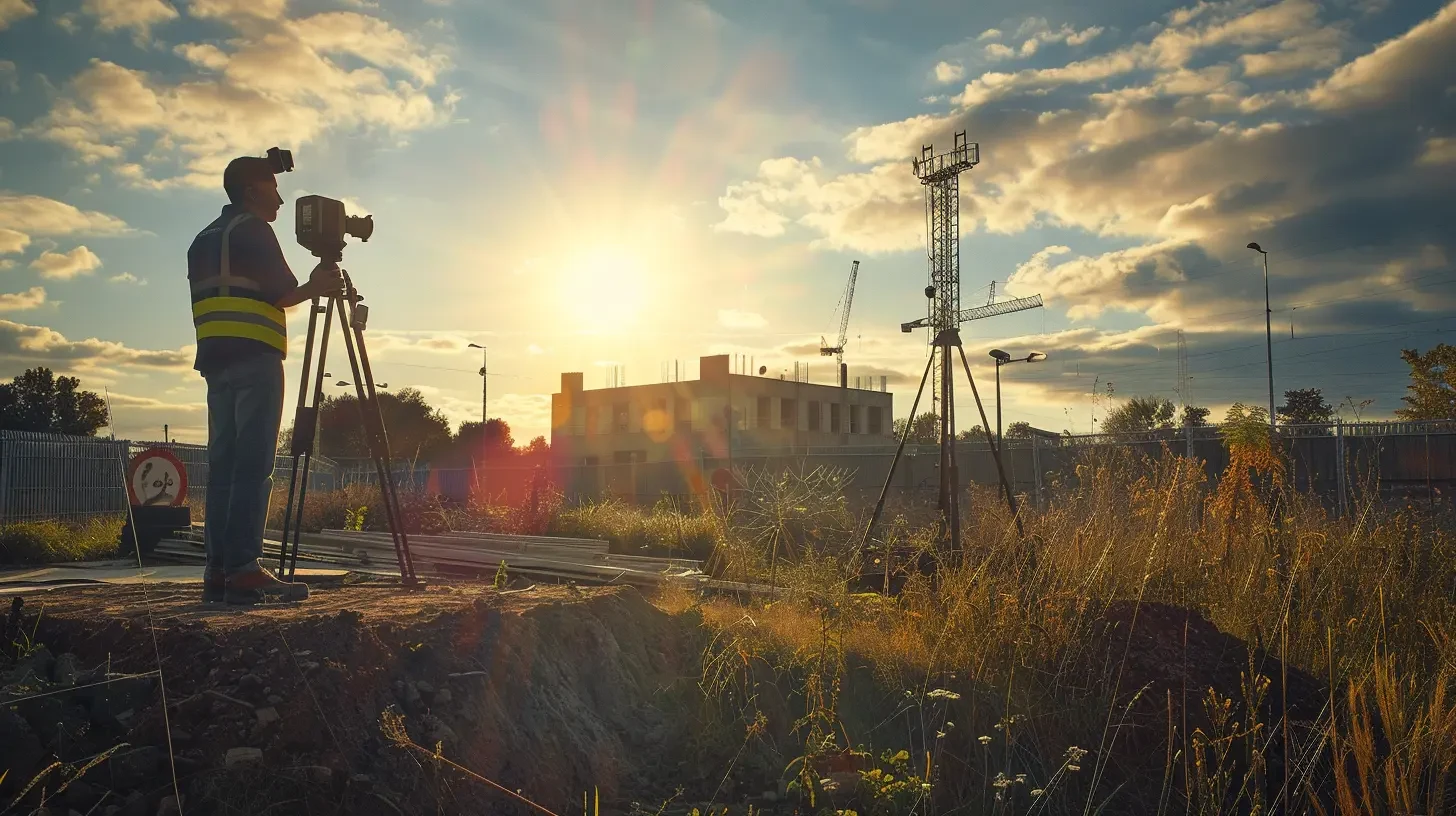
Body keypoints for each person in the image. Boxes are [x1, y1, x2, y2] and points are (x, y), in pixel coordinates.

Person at [189, 155, 343, 605]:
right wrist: (320, 284)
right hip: (255, 356)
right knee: (253, 467)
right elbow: (284, 293)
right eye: (273, 187)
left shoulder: (203, 238)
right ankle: (244, 569)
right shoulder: (254, 230)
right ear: (253, 189)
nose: (279, 196)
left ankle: (217, 571)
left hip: (216, 361)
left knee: (223, 468)